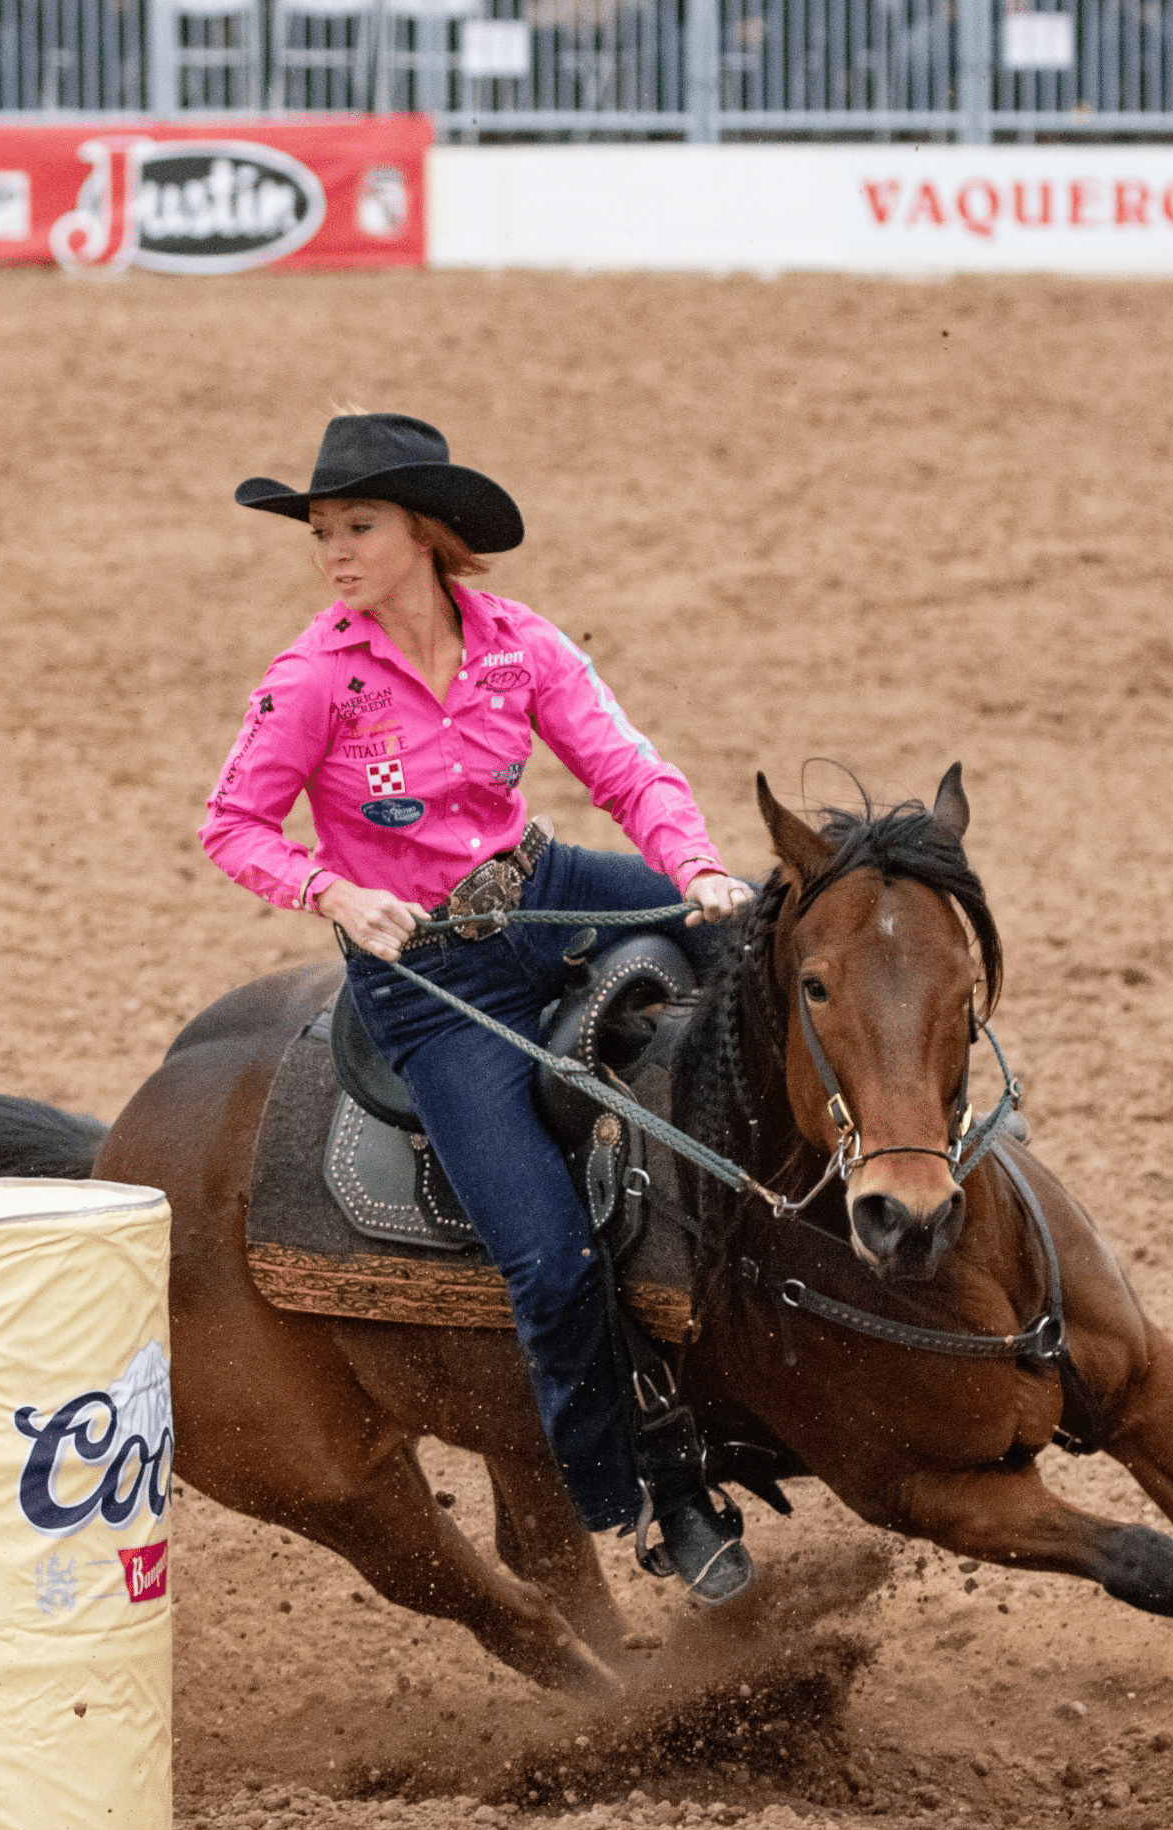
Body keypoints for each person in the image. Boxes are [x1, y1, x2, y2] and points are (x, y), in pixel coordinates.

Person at [200, 412, 756, 1605]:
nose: (332, 549)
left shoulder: (518, 645)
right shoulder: (313, 677)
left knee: (755, 933)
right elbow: (232, 826)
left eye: (357, 525)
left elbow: (624, 767)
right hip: (430, 984)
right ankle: (640, 1486)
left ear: (426, 534)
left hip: (544, 894)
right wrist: (332, 891)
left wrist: (694, 867)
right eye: (320, 531)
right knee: (547, 1259)